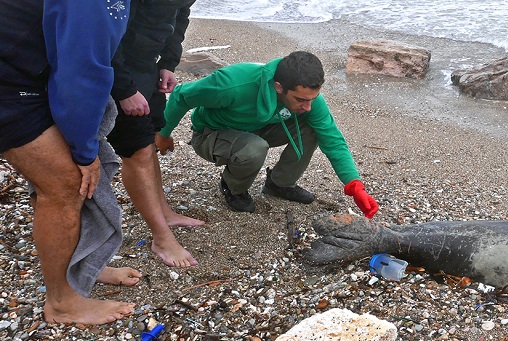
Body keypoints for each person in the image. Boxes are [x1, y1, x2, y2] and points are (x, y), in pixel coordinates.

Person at [0, 0, 139, 324]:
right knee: (66, 183)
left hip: (27, 73)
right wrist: (84, 151)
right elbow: (81, 73)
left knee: (68, 178)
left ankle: (84, 263)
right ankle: (61, 302)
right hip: (9, 84)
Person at [160, 51, 379, 217]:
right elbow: (181, 95)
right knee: (255, 148)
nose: (308, 106)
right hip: (211, 133)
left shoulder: (307, 98)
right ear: (278, 87)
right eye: (301, 100)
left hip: (257, 128)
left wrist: (354, 184)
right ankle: (233, 188)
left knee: (313, 127)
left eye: (312, 99)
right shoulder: (231, 84)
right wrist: (163, 132)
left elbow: (332, 137)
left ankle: (279, 184)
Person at [108, 0, 202, 268]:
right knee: (136, 151)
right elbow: (106, 32)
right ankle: (161, 238)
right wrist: (124, 88)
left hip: (148, 65)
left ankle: (164, 213)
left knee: (148, 140)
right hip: (119, 67)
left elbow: (180, 13)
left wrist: (168, 63)